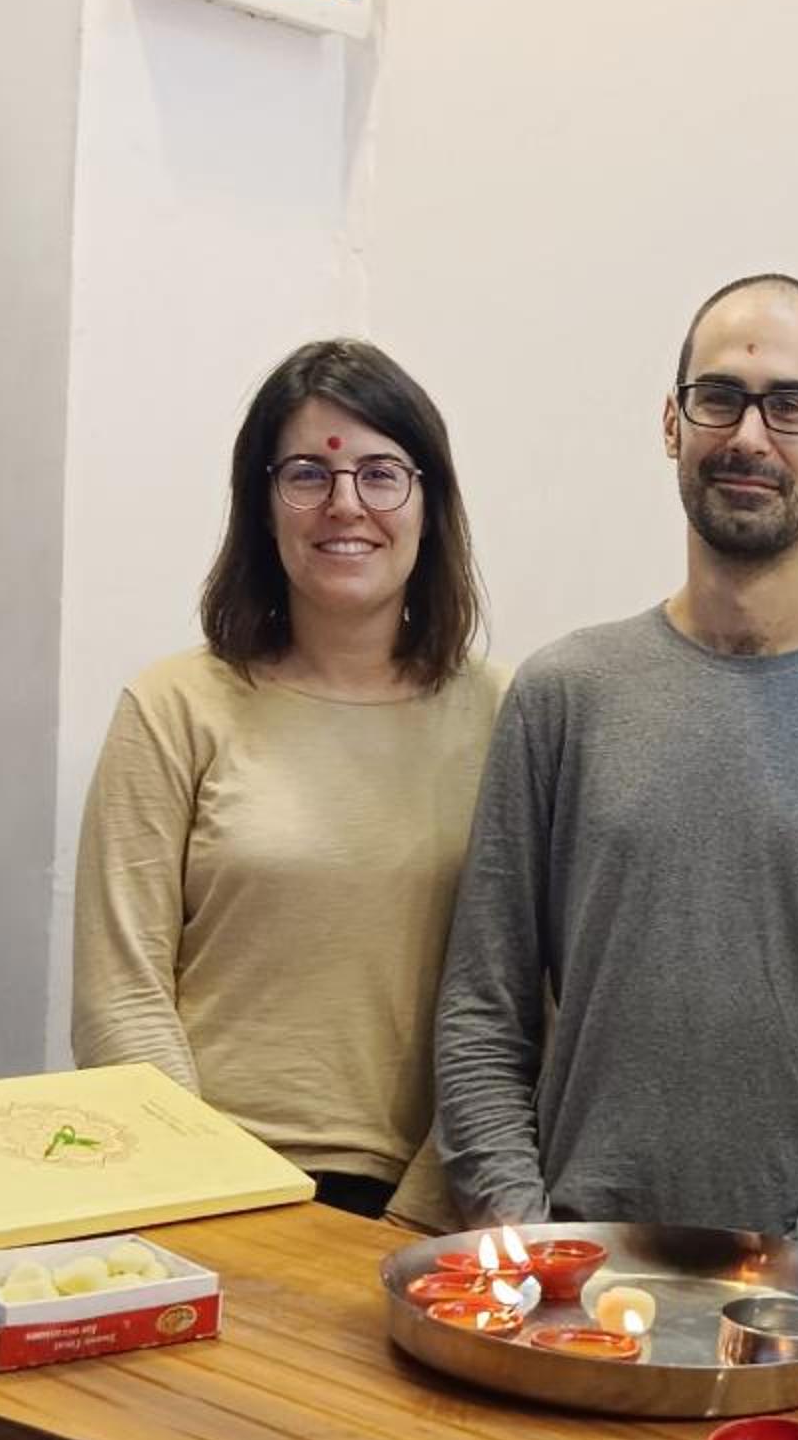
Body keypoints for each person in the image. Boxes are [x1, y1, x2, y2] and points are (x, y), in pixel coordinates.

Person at [435, 272, 798, 1281]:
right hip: (571, 1287)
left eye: (792, 406)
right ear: (672, 422)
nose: (748, 436)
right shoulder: (564, 695)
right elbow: (482, 1010)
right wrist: (531, 1245)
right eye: (719, 398)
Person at [72, 340, 503, 1223]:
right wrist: (207, 1192)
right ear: (262, 507)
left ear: (431, 506)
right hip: (200, 1187)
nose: (345, 505)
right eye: (307, 475)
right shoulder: (173, 707)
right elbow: (121, 992)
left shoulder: (507, 719)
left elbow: (525, 1005)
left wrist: (419, 1215)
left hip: (424, 1206)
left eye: (381, 474)